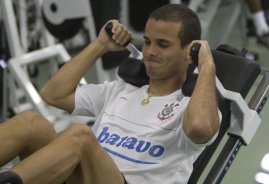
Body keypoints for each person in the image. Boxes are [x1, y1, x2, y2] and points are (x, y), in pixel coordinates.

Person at [0, 4, 220, 184]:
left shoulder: (193, 107)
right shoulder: (120, 90)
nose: (150, 51)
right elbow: (52, 94)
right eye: (147, 42)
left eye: (163, 45)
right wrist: (101, 45)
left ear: (189, 50)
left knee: (81, 137)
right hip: (83, 176)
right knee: (31, 123)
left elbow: (200, 129)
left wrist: (207, 65)